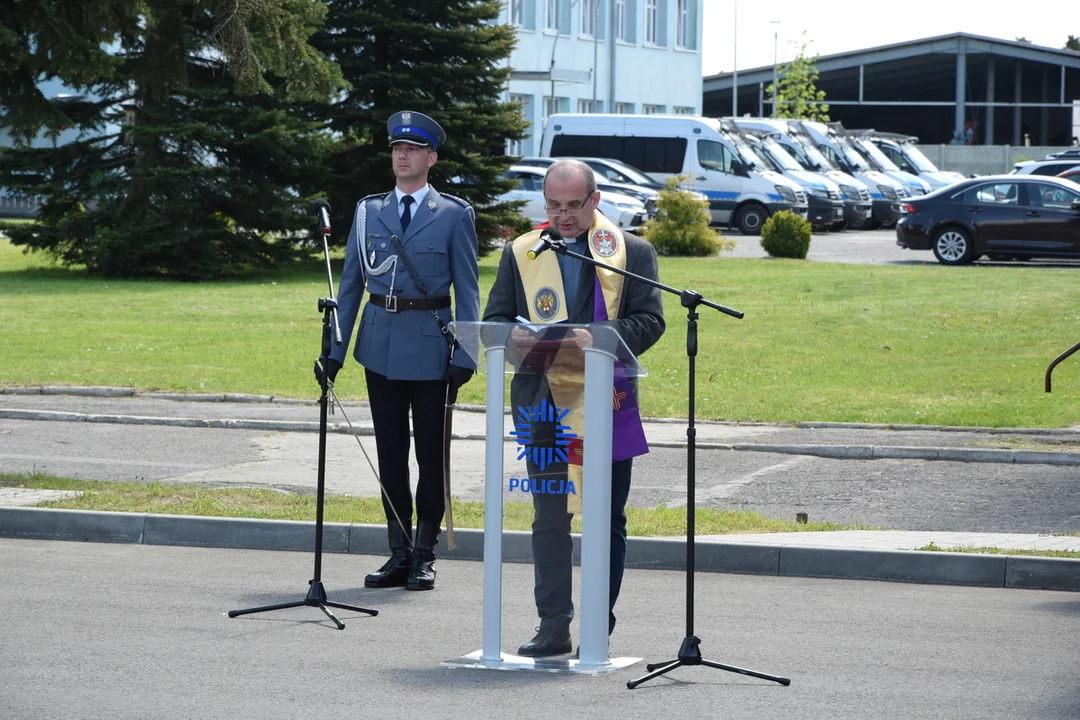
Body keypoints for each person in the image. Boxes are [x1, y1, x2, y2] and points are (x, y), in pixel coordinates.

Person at [482, 159, 665, 656]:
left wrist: (602, 338)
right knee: (549, 517)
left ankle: (595, 621)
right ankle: (554, 624)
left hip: (605, 402)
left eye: (572, 206)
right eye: (554, 206)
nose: (562, 217)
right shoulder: (521, 252)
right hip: (542, 405)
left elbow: (651, 321)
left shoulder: (631, 253)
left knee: (607, 518)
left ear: (595, 200)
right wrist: (511, 335)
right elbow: (494, 318)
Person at [316, 110, 480, 591]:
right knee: (390, 453)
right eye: (395, 149)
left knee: (431, 455)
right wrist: (334, 351)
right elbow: (348, 287)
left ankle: (425, 553)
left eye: (411, 149)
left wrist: (466, 354)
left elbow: (468, 291)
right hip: (380, 346)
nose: (401, 155)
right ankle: (398, 551)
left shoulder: (453, 214)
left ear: (431, 158)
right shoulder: (370, 211)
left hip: (432, 349)